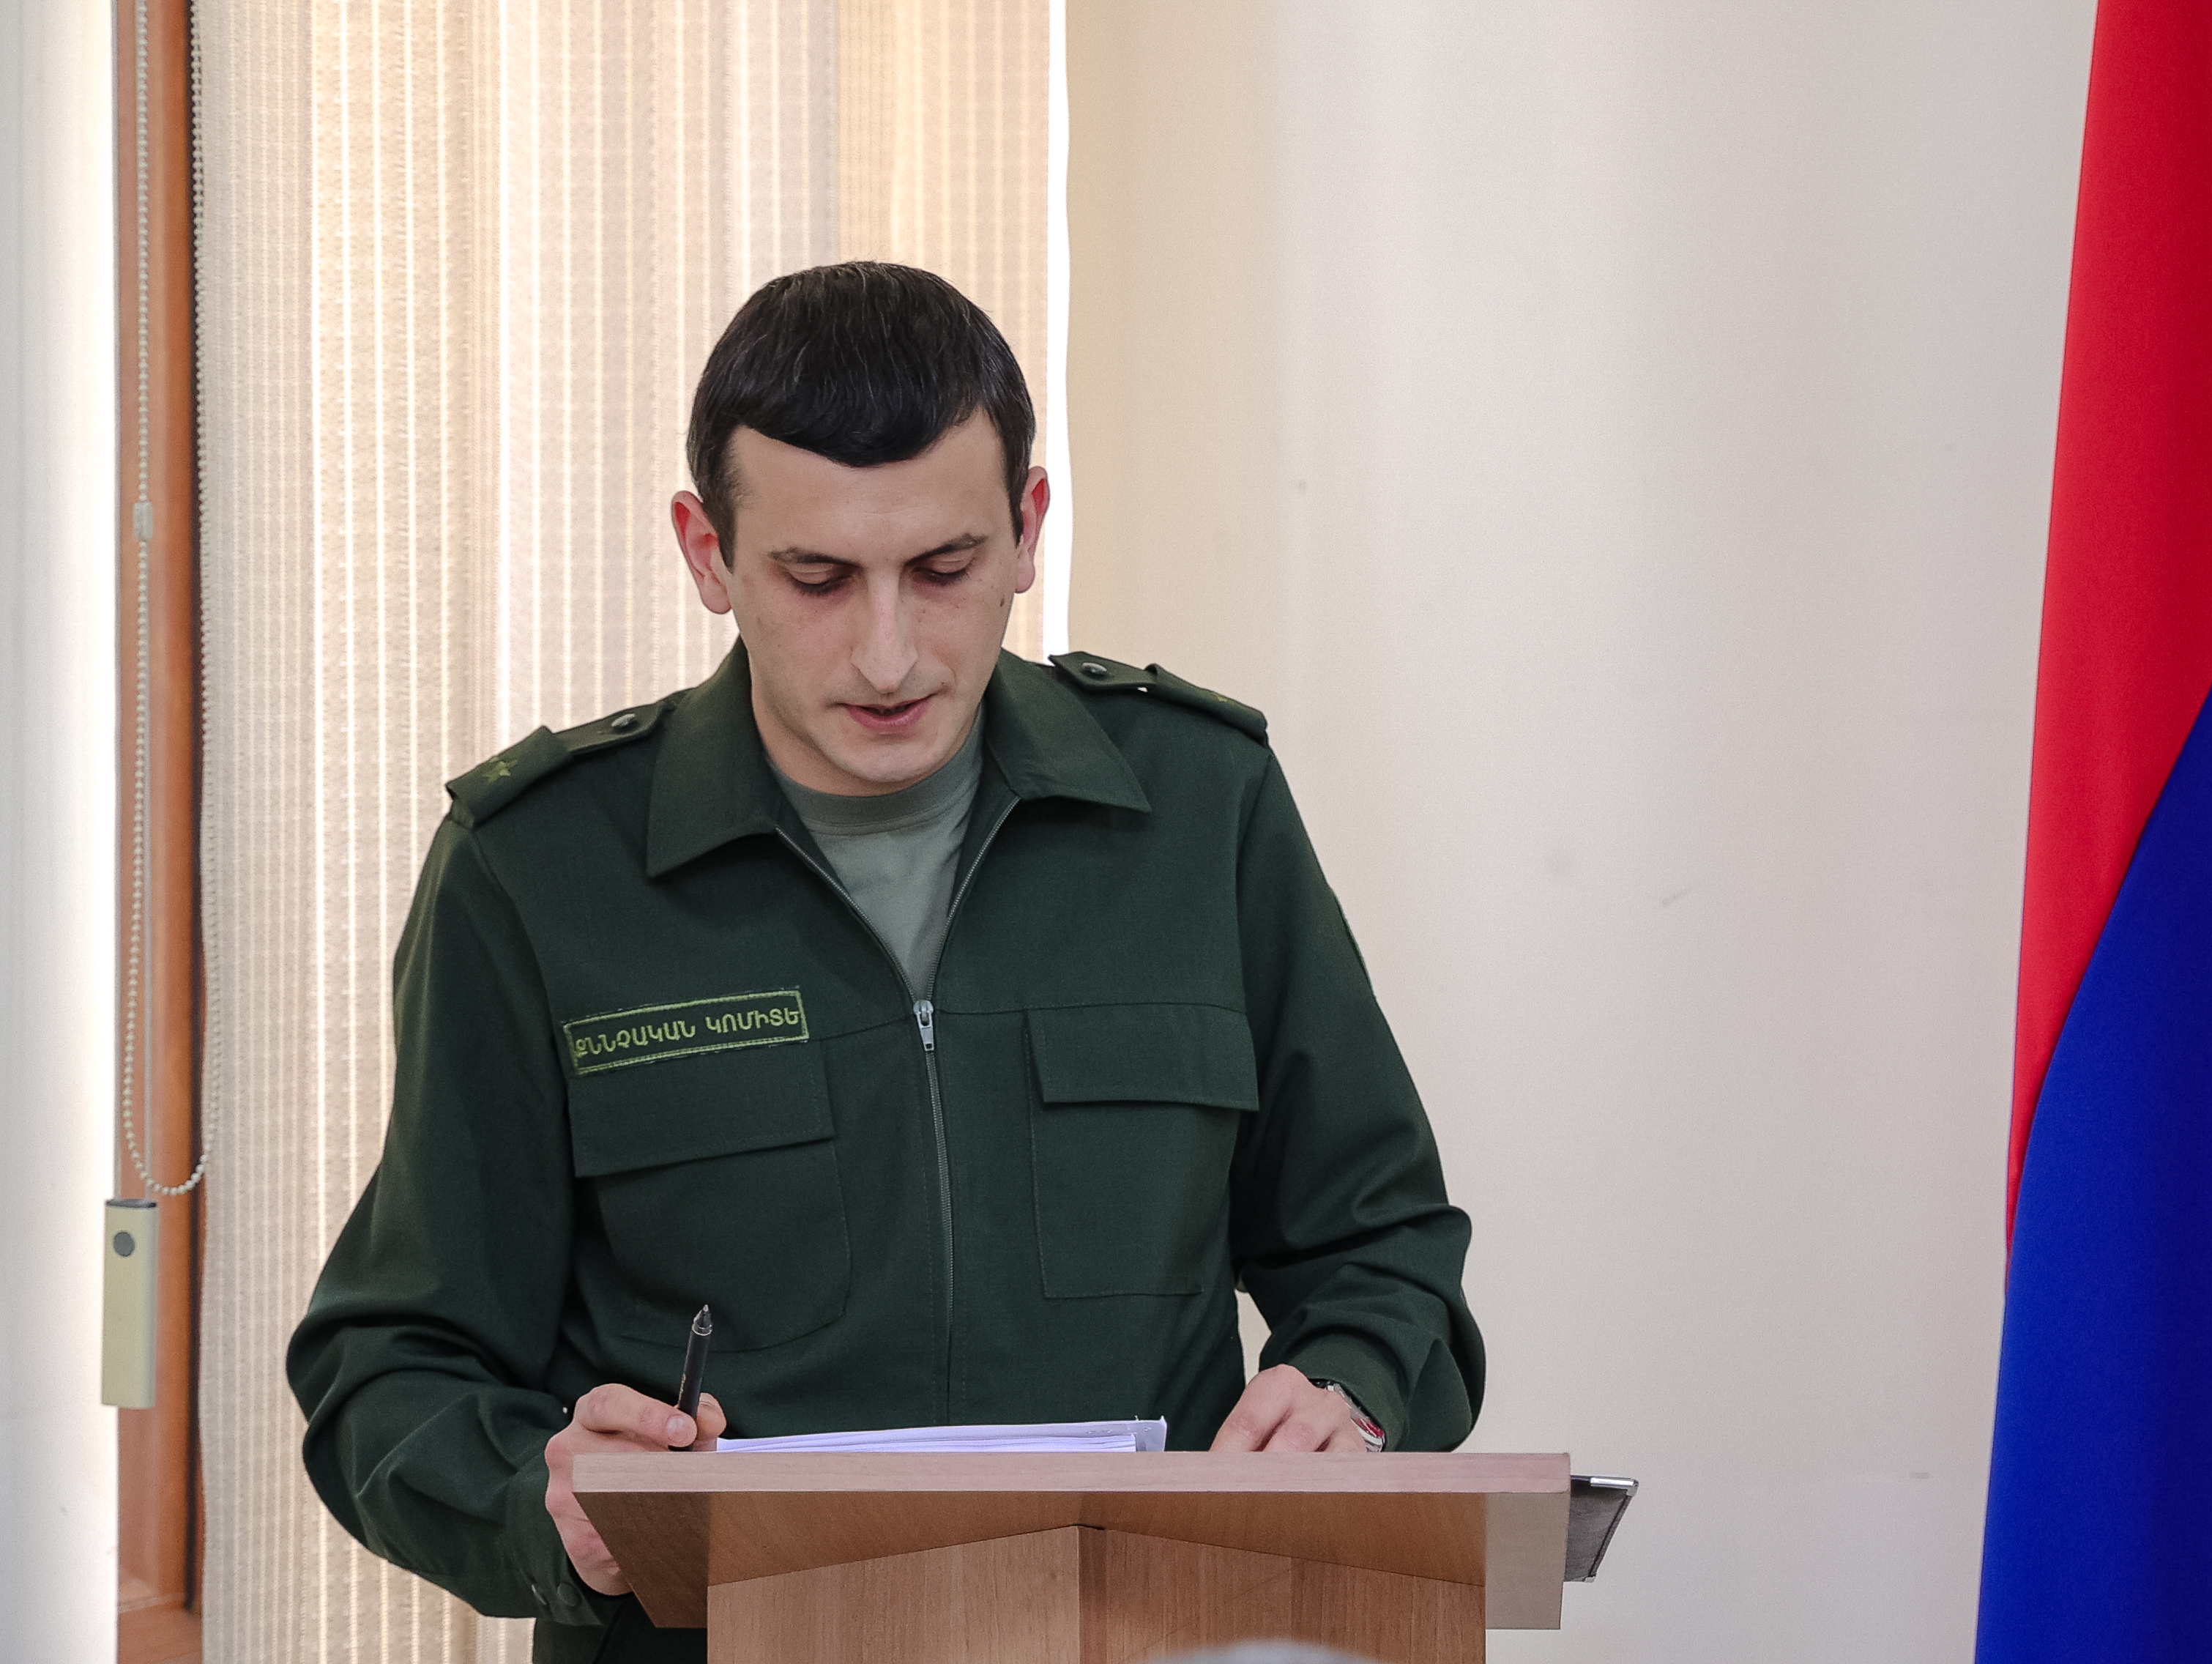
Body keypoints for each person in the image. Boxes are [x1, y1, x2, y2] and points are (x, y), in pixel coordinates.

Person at [287, 262, 1484, 1662]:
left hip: (1150, 1636)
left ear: (1028, 528)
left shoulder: (1201, 811)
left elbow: (1381, 1248)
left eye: (943, 569)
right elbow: (390, 1370)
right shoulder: (539, 870)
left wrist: (1350, 1390)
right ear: (706, 553)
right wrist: (535, 1501)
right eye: (817, 578)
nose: (889, 652)